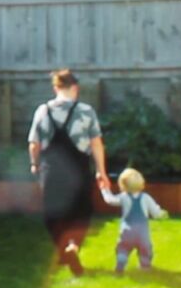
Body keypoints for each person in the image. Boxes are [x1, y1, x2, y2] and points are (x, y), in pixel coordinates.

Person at [28, 69, 110, 275]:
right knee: (82, 210)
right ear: (75, 88)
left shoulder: (42, 111)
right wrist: (102, 172)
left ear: (55, 88)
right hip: (79, 170)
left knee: (52, 213)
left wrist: (35, 164)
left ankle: (63, 248)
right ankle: (73, 246)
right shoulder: (86, 111)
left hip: (52, 171)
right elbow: (97, 144)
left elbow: (33, 144)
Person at [101, 168, 168, 273]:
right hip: (142, 233)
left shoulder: (124, 197)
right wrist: (161, 214)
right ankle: (145, 266)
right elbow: (155, 212)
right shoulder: (146, 197)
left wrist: (105, 190)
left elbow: (110, 200)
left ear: (123, 185)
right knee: (145, 249)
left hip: (127, 231)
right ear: (141, 184)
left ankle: (120, 264)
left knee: (123, 247)